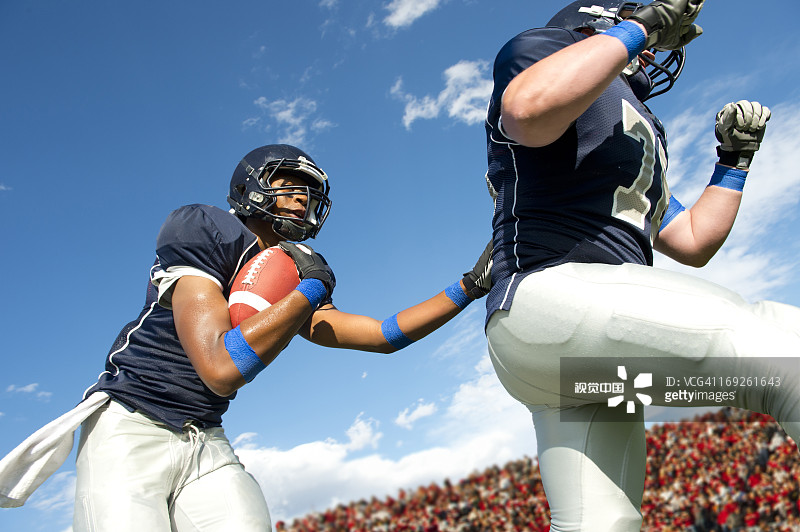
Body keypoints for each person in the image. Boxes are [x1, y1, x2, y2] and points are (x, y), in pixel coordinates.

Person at [0, 143, 492, 531]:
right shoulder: (205, 226)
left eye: (309, 191)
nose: (302, 197)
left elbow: (383, 335)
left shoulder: (291, 270)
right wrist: (310, 290)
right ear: (251, 187)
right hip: (131, 425)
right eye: (289, 184)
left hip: (204, 437)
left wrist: (468, 287)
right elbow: (219, 368)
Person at [482, 1, 799, 531]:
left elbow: (692, 240)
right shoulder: (545, 48)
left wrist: (733, 163)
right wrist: (643, 25)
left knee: (603, 522)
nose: (653, 53)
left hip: (574, 350)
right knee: (785, 349)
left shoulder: (636, 119)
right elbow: (529, 109)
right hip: (553, 297)